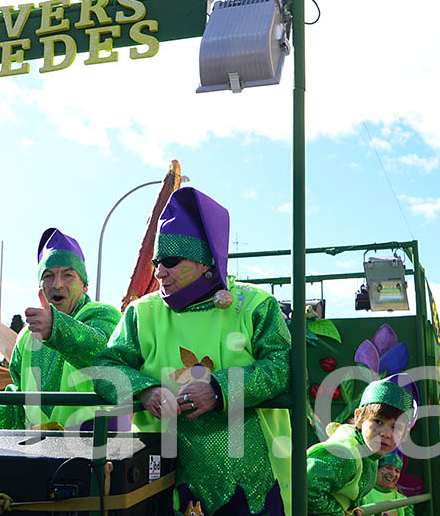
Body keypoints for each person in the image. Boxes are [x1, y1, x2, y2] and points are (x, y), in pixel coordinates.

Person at [94, 187, 292, 516]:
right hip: (165, 478)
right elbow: (105, 368)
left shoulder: (255, 306)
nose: (159, 272)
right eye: (157, 262)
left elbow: (284, 367)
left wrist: (219, 389)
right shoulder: (142, 314)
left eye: (171, 261)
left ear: (204, 262)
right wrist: (145, 391)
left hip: (252, 479)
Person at [0, 228, 122, 430]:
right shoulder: (26, 336)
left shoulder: (103, 315)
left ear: (85, 285)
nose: (57, 284)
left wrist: (57, 328)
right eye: (49, 276)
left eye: (68, 275)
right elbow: (19, 396)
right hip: (41, 448)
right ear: (40, 285)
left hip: (95, 441)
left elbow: (103, 355)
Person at [306, 378, 413, 516]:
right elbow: (307, 489)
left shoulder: (370, 454)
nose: (386, 434)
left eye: (396, 427)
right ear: (359, 418)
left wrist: (353, 508)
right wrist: (340, 513)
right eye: (378, 421)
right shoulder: (345, 455)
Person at [362, 451, 414, 516]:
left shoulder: (405, 503)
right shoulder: (362, 496)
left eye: (397, 471)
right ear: (377, 469)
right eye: (388, 468)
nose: (393, 474)